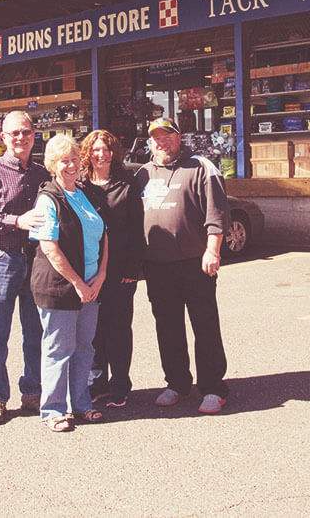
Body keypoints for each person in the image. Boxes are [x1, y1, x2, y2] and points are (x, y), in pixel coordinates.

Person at [134, 117, 231, 414]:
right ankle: (176, 383)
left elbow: (216, 214)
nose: (162, 141)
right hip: (157, 266)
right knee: (167, 326)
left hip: (195, 262)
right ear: (151, 141)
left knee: (204, 324)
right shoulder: (142, 174)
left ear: (179, 137)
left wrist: (212, 251)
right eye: (156, 137)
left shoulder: (201, 167)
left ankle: (213, 387)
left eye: (167, 136)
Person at [0, 110, 48, 425]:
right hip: (0, 258)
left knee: (35, 332)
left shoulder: (42, 173)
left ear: (34, 135)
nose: (20, 138)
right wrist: (16, 221)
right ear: (3, 137)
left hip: (34, 260)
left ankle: (32, 391)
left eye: (25, 132)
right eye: (13, 133)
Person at [28, 134, 109, 432]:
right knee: (58, 350)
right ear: (52, 164)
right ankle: (53, 410)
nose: (72, 165)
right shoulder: (48, 198)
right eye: (65, 160)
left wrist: (100, 275)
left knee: (84, 347)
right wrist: (78, 283)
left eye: (75, 159)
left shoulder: (84, 193)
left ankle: (82, 403)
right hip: (60, 287)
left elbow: (103, 234)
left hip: (91, 284)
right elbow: (50, 247)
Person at [81, 130, 145, 408]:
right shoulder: (81, 186)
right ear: (88, 153)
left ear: (113, 153)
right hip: (91, 269)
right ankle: (97, 384)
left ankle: (120, 384)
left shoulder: (126, 184)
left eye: (106, 149)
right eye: (95, 150)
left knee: (119, 329)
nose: (101, 154)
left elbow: (136, 229)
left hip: (121, 270)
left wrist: (133, 269)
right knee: (93, 330)